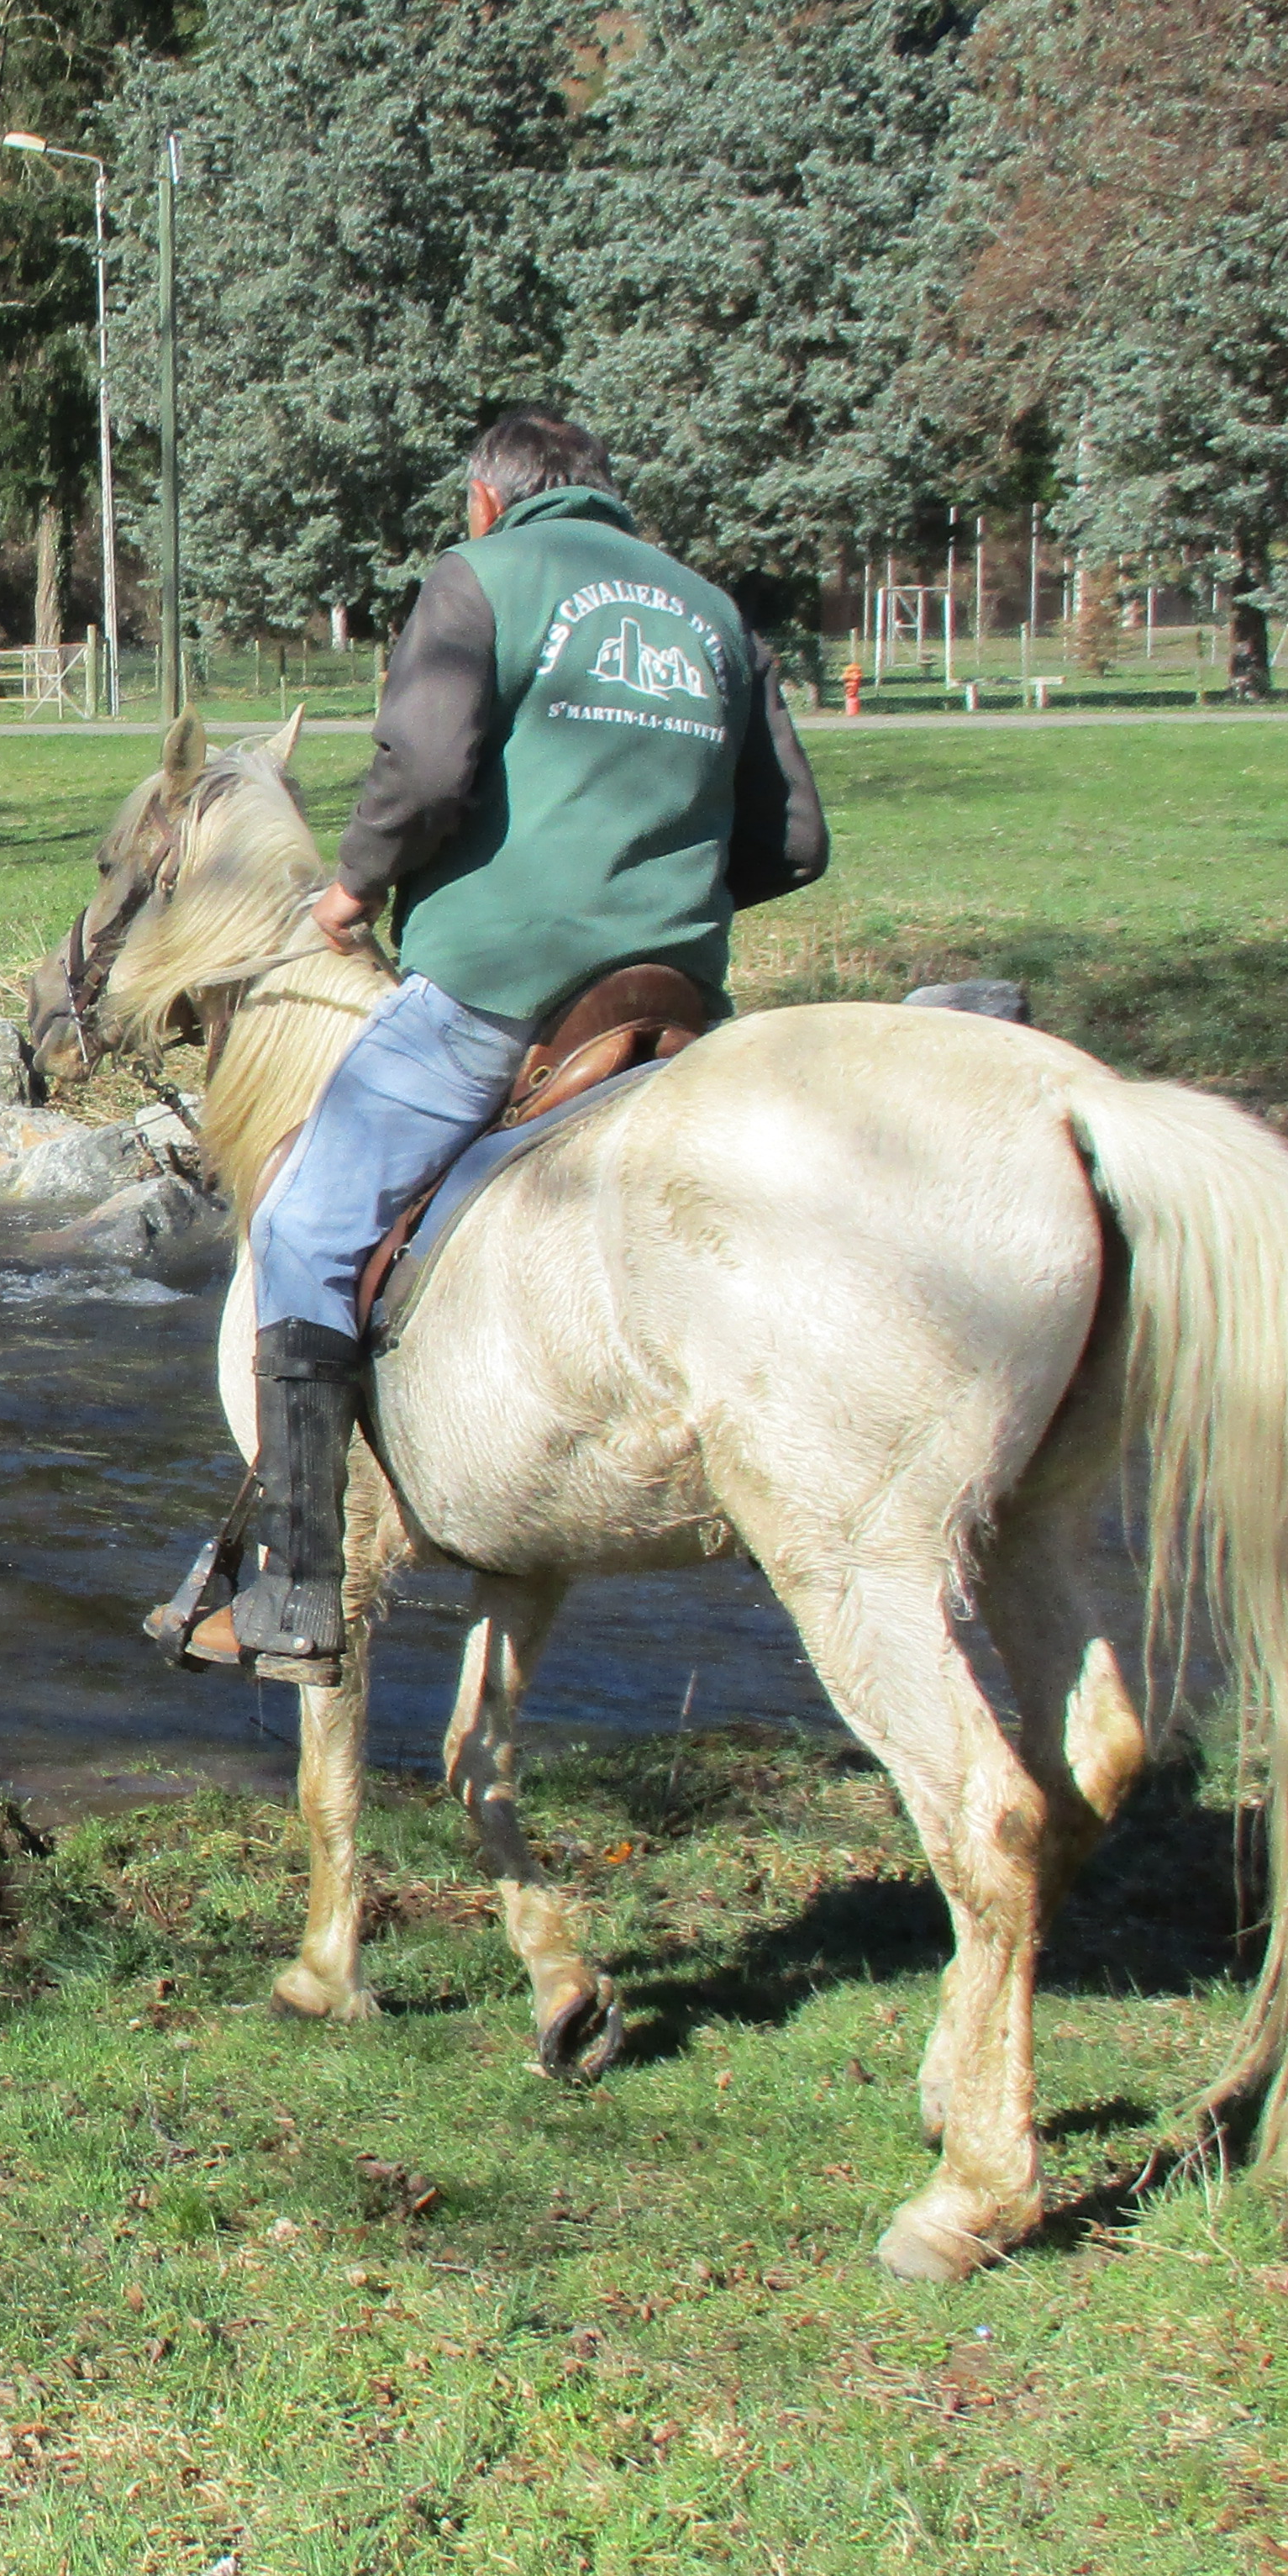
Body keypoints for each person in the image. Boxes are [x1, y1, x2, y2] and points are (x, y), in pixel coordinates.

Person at [231, 408, 829, 1679]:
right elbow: (793, 844)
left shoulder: (480, 579)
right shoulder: (712, 611)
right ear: (603, 495)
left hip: (500, 991)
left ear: (487, 501)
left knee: (301, 1227)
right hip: (670, 1000)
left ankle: (293, 1589)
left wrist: (352, 892)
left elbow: (430, 771)